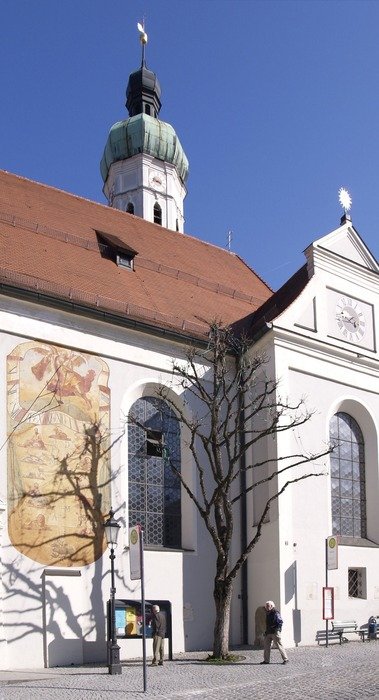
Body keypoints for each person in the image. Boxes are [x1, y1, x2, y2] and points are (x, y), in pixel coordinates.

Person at [260, 600, 288, 665]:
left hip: (275, 632)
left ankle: (286, 659)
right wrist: (266, 631)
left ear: (272, 606)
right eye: (266, 606)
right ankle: (266, 660)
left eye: (268, 606)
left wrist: (277, 631)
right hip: (268, 632)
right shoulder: (268, 613)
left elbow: (280, 622)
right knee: (266, 646)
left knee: (279, 646)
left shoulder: (276, 612)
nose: (266, 607)